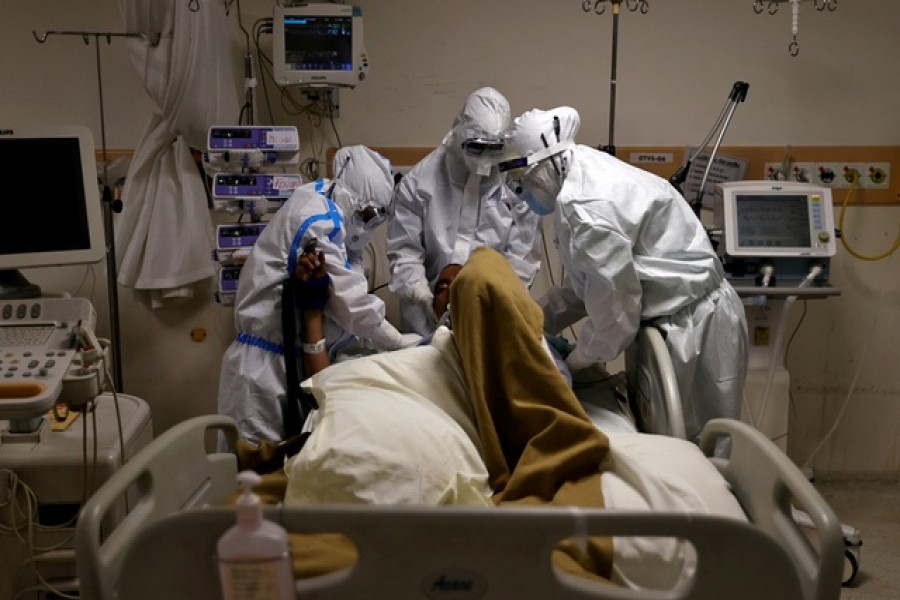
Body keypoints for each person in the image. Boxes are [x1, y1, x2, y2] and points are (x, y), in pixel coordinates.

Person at [498, 106, 748, 443]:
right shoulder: (575, 176)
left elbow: (615, 318)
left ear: (547, 164)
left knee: (702, 445)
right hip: (666, 319)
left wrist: (571, 363)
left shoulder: (587, 209)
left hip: (695, 321)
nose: (522, 193)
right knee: (668, 436)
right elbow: (587, 284)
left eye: (522, 183)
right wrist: (533, 320)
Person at [218, 145, 419, 444]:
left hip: (296, 361)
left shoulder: (326, 206)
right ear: (351, 198)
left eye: (379, 218)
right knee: (253, 469)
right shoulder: (316, 218)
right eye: (368, 214)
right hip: (264, 370)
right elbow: (350, 303)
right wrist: (398, 341)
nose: (370, 225)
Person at [386, 86, 543, 336]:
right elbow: (405, 252)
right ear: (459, 134)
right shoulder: (419, 183)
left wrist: (500, 301)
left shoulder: (515, 185)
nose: (484, 160)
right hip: (424, 319)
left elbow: (521, 257)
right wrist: (425, 298)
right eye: (476, 148)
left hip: (490, 312)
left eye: (494, 150)